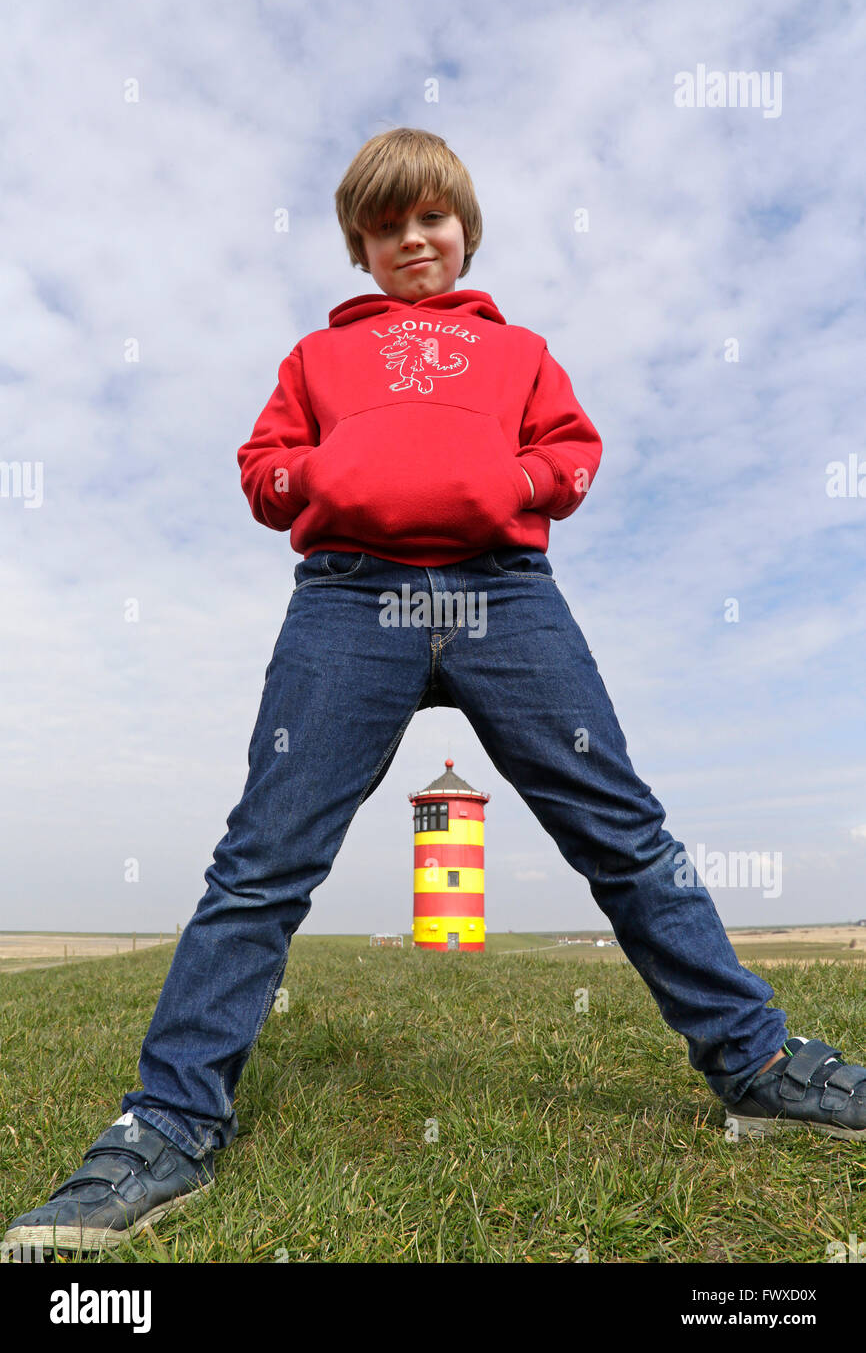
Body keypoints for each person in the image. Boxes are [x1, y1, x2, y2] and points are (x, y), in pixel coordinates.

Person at [6, 127, 865, 1259]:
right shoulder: (314, 359)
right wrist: (325, 472)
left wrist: (507, 479)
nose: (412, 238)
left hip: (503, 596)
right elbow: (263, 468)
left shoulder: (520, 351)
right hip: (347, 599)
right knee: (262, 857)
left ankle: (755, 1064)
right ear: (358, 246)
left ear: (461, 227)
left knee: (623, 832)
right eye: (385, 224)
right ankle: (167, 1124)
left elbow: (571, 450)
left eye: (431, 218)